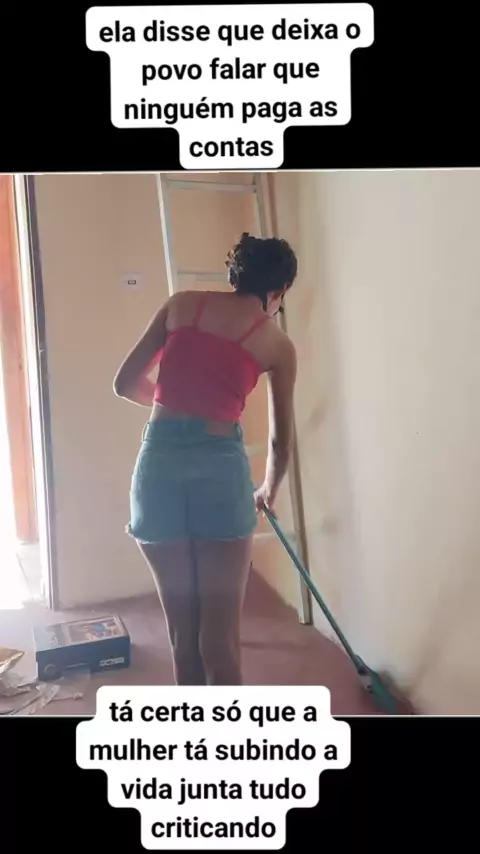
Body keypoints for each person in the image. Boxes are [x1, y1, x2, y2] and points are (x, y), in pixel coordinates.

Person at [113, 232, 298, 686]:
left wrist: (175, 402)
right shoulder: (276, 343)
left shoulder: (181, 305)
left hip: (157, 467)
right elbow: (280, 441)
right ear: (278, 291)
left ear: (236, 275)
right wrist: (268, 489)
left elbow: (125, 383)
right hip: (219, 472)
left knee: (183, 638)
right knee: (220, 642)